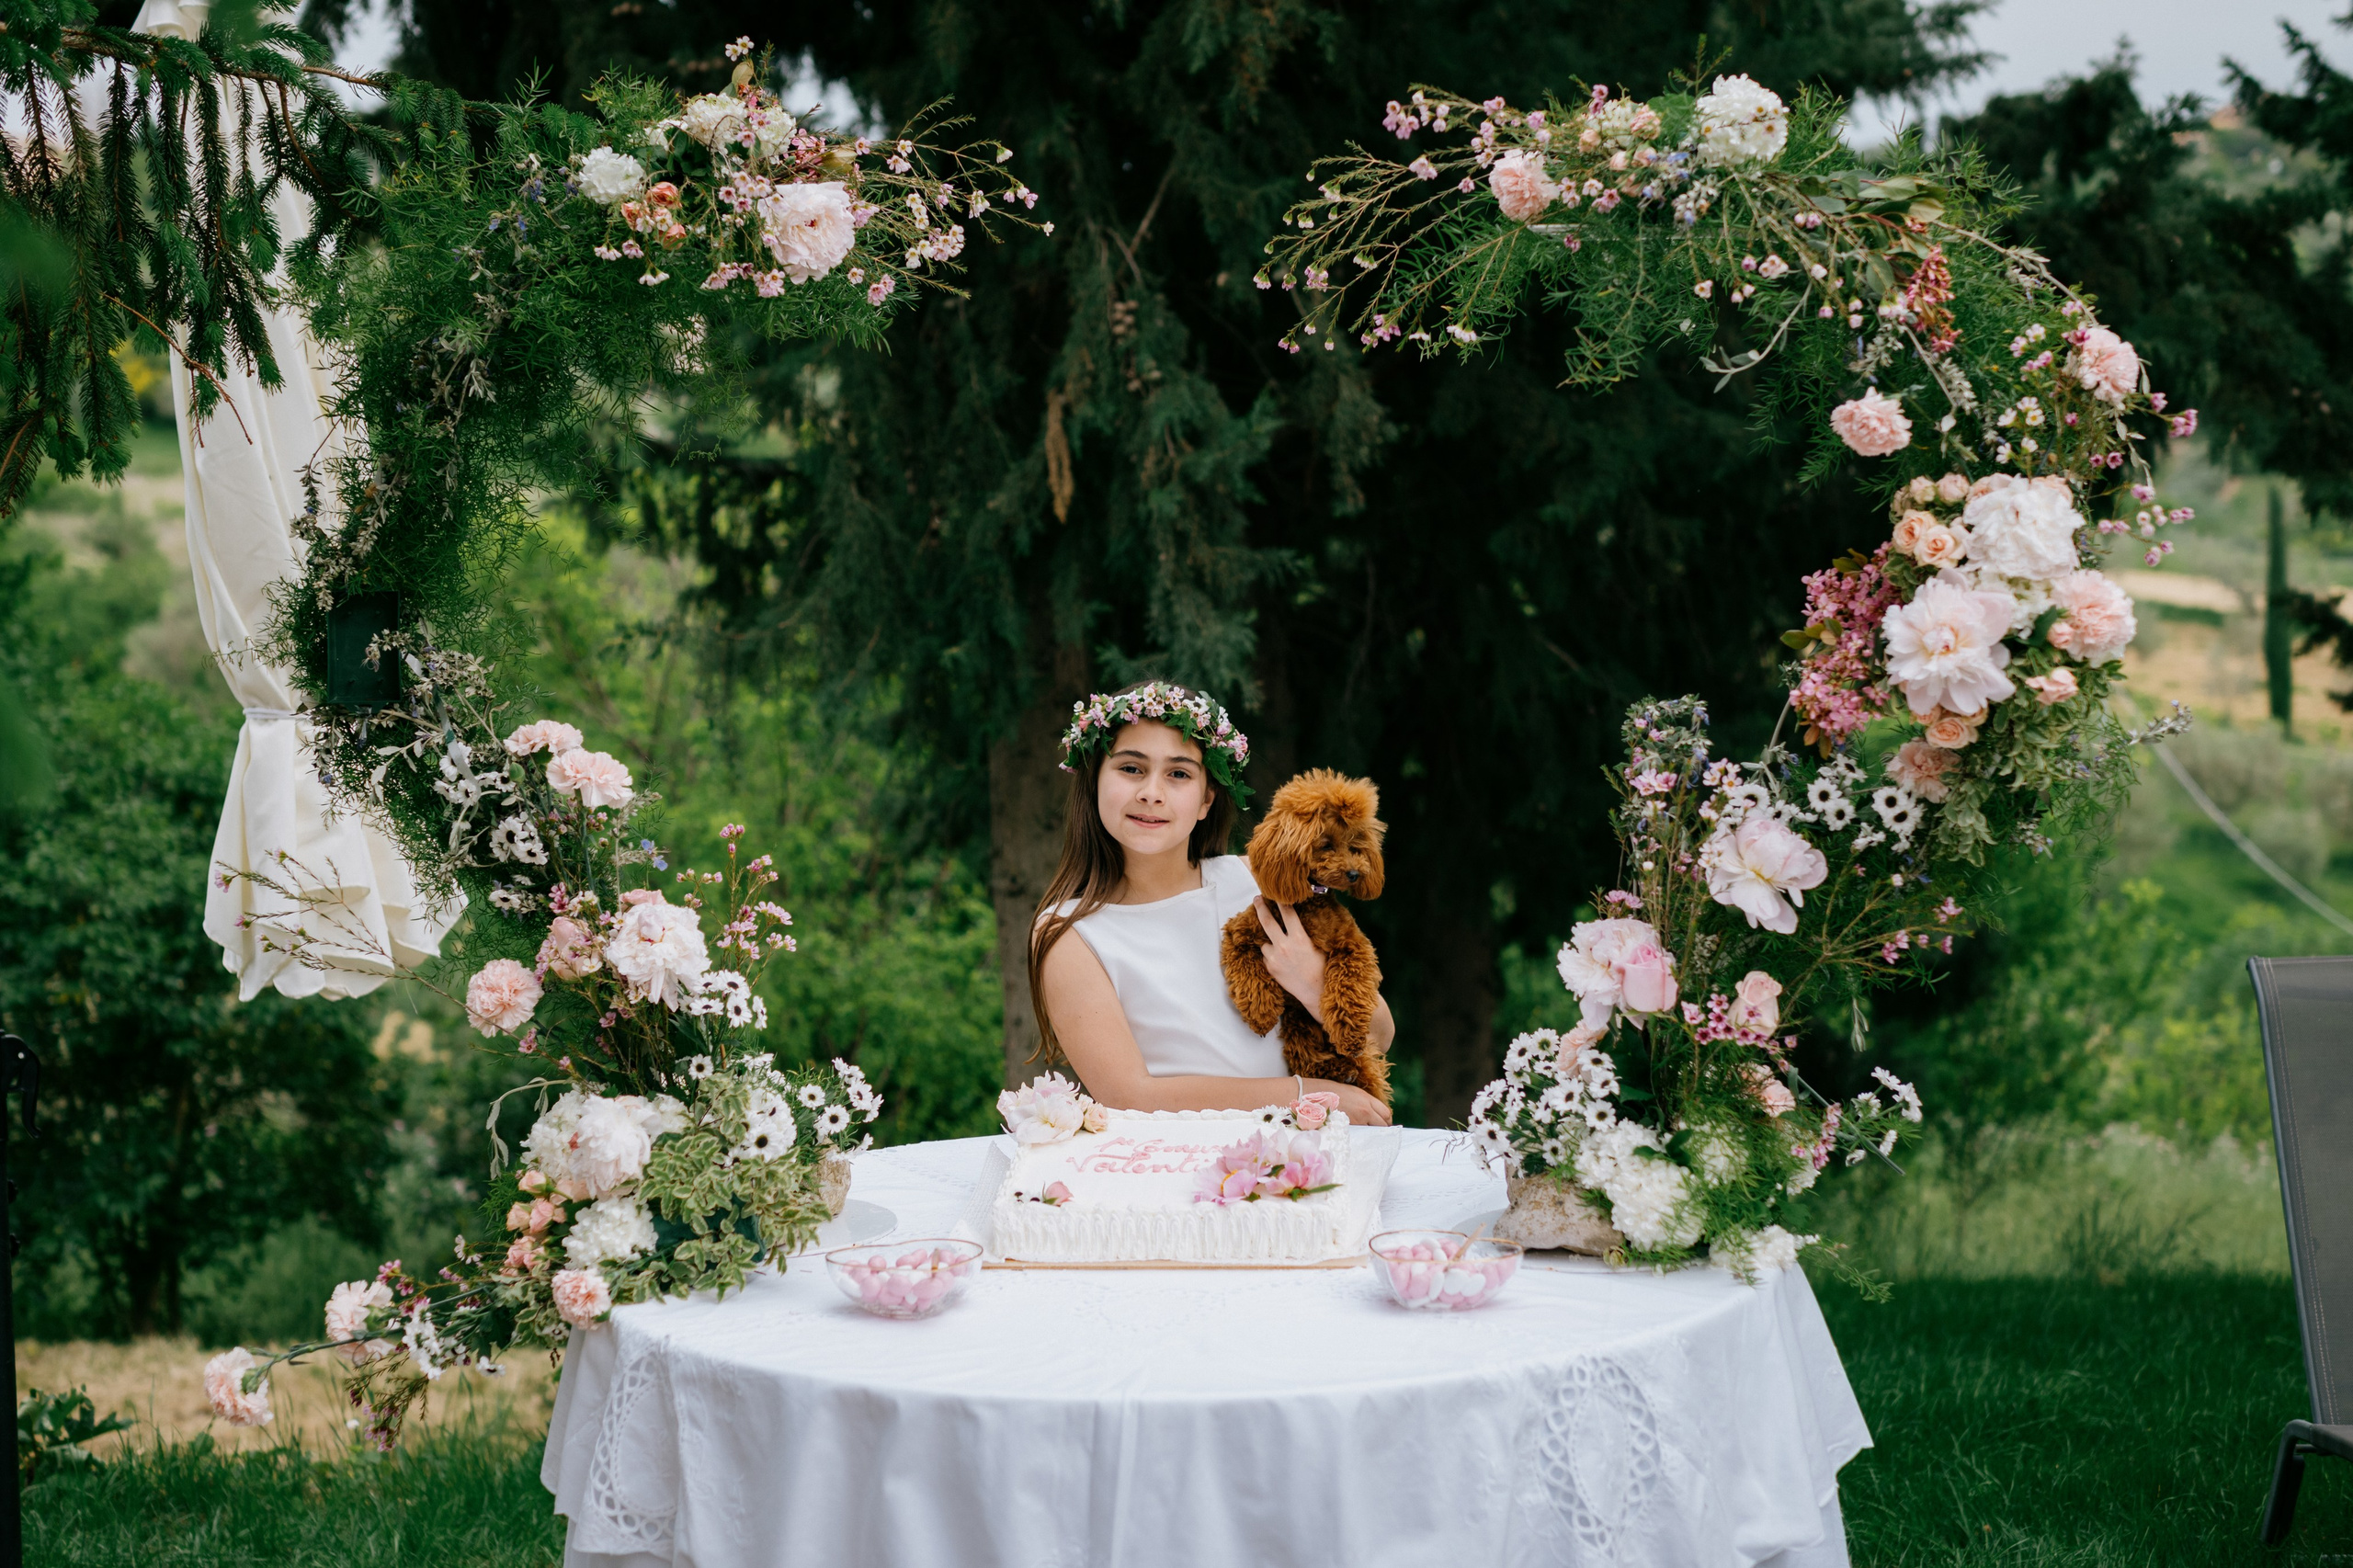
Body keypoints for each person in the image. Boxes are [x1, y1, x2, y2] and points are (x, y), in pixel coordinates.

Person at [1029, 680, 1395, 1126]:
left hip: (1306, 1156)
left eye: (1178, 774)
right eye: (1130, 768)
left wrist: (1314, 983)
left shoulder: (1259, 884)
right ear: (1095, 782)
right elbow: (1129, 1096)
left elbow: (1381, 1034)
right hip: (1176, 1166)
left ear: (1206, 800)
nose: (1152, 792)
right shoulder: (1069, 932)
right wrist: (1308, 1096)